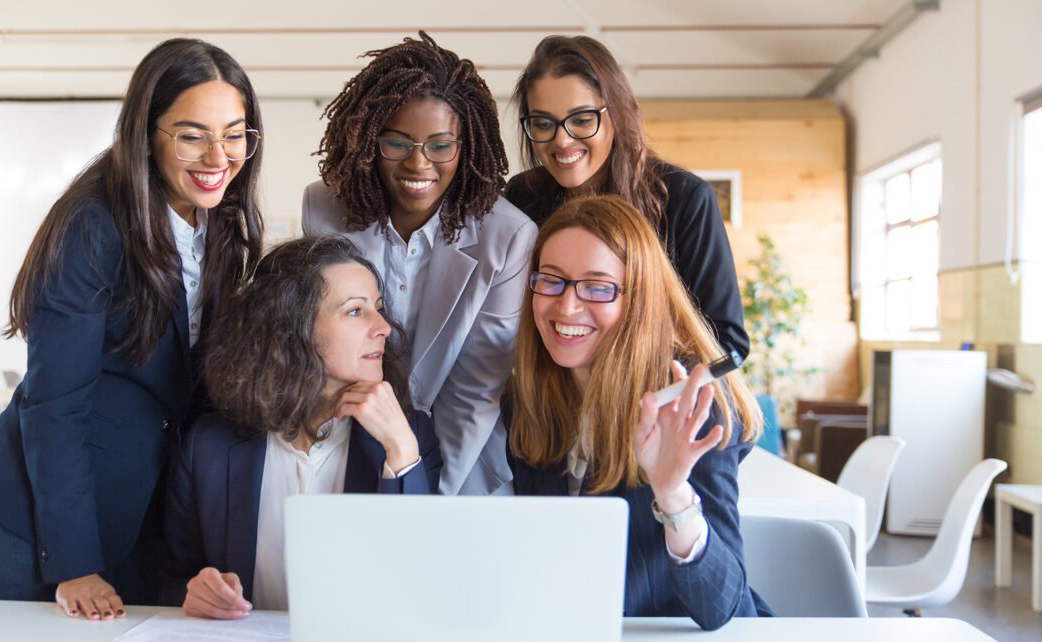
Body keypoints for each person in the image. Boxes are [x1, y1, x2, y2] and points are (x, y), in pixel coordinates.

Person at [0, 38, 265, 619]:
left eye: (235, 133)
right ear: (147, 135)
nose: (218, 155)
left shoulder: (218, 226)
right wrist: (74, 564)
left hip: (144, 505)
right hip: (45, 519)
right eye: (192, 134)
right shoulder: (93, 226)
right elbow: (55, 405)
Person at [506, 195, 771, 630]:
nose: (566, 307)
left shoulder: (693, 403)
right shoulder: (526, 398)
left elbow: (723, 610)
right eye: (551, 280)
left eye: (597, 287)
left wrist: (673, 495)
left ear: (641, 298)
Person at [302, 32, 537, 496]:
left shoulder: (507, 237)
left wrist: (425, 492)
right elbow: (316, 347)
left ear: (465, 147)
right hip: (345, 436)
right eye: (398, 142)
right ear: (371, 138)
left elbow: (475, 390)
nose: (418, 163)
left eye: (439, 145)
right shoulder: (323, 209)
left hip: (461, 462)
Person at [161, 236, 441, 617]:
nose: (384, 327)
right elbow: (174, 577)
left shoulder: (410, 438)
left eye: (378, 308)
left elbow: (421, 591)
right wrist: (194, 593)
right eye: (356, 312)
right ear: (291, 327)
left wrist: (402, 452)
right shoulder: (208, 445)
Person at [505, 35, 749, 361]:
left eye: (581, 120)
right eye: (543, 123)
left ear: (617, 115)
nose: (561, 140)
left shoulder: (684, 199)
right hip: (552, 403)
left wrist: (641, 398)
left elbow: (726, 342)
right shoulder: (522, 199)